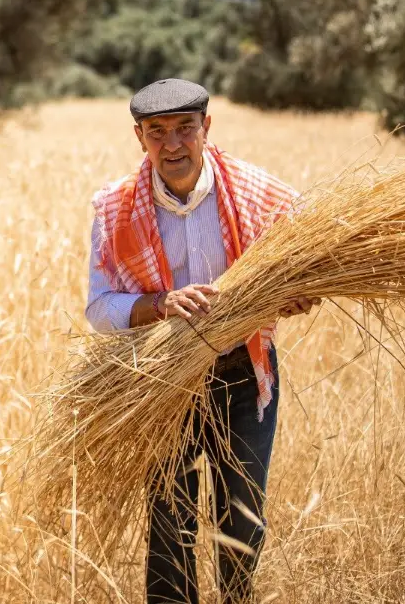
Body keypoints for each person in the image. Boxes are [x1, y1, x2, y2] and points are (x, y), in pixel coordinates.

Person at [84, 78, 320, 604]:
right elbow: (98, 309)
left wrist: (300, 293)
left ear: (206, 129)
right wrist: (160, 303)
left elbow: (305, 265)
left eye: (185, 129)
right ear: (139, 137)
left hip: (243, 373)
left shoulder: (257, 191)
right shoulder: (115, 208)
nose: (172, 145)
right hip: (164, 383)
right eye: (157, 132)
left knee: (242, 523)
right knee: (171, 525)